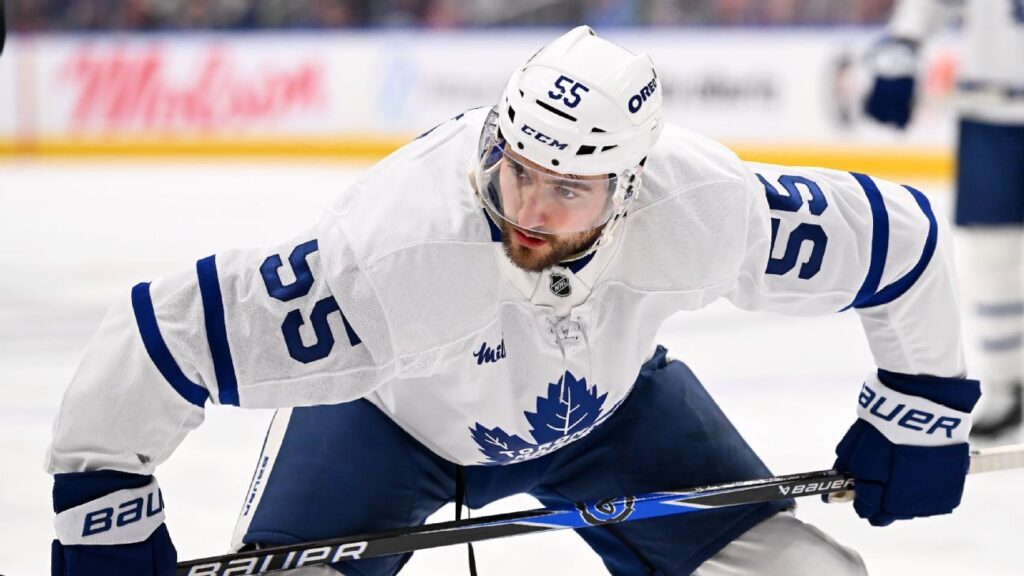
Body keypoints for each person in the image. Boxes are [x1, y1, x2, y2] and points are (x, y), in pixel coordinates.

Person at [48, 26, 980, 576]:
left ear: (632, 183)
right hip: (385, 426)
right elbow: (162, 333)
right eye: (516, 170)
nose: (528, 209)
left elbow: (897, 238)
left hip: (614, 414)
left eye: (568, 189)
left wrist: (923, 405)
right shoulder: (395, 255)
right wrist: (105, 498)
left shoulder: (704, 206)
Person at [864, 0, 1024, 441]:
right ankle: (1006, 384)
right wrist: (903, 44)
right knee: (992, 256)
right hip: (990, 111)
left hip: (989, 108)